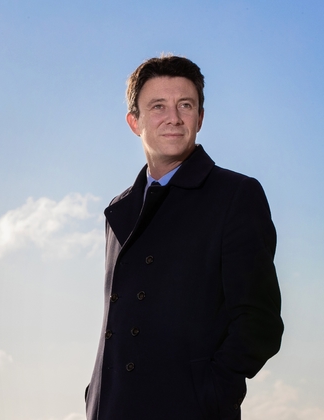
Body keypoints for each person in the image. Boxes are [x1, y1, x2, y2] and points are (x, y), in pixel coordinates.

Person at [85, 55, 283, 419]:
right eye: (158, 106)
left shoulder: (235, 194)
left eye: (185, 105)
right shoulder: (119, 210)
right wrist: (94, 394)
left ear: (200, 118)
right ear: (135, 122)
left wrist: (208, 391)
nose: (173, 117)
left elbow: (260, 321)